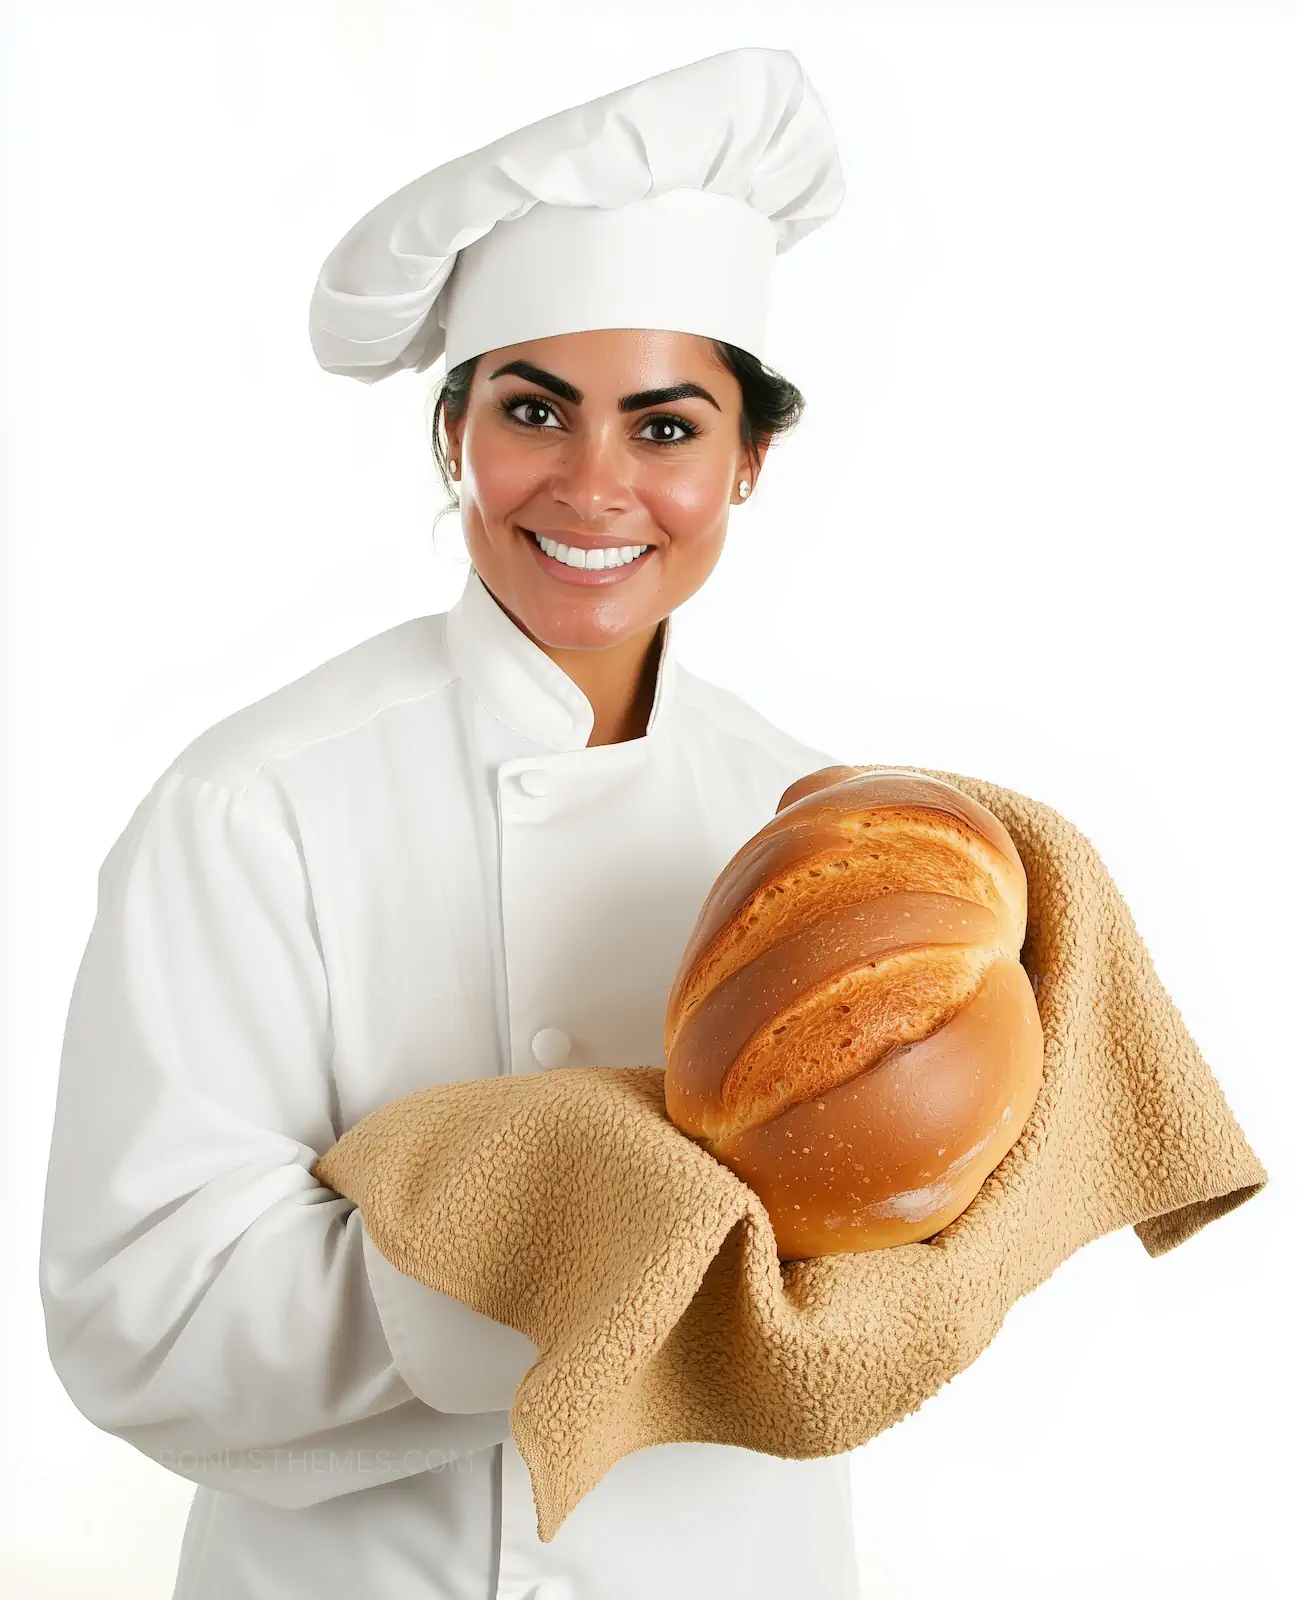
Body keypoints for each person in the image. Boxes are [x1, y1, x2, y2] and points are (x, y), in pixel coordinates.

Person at [39, 46, 877, 1600]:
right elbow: (144, 1309)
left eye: (669, 427)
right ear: (455, 436)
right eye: (535, 409)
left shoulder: (814, 818)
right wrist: (565, 1255)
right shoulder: (259, 805)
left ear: (753, 457)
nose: (594, 484)